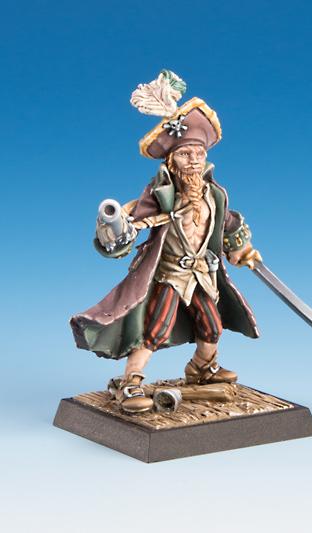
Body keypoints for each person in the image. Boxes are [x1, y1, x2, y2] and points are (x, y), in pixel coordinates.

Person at [70, 71, 261, 413]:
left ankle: (202, 369)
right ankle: (130, 381)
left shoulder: (214, 194)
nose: (194, 161)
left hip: (203, 275)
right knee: (155, 330)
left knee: (212, 326)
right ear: (172, 161)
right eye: (186, 155)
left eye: (198, 154)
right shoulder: (160, 195)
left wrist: (240, 247)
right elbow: (129, 225)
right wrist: (116, 231)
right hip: (169, 275)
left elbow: (227, 223)